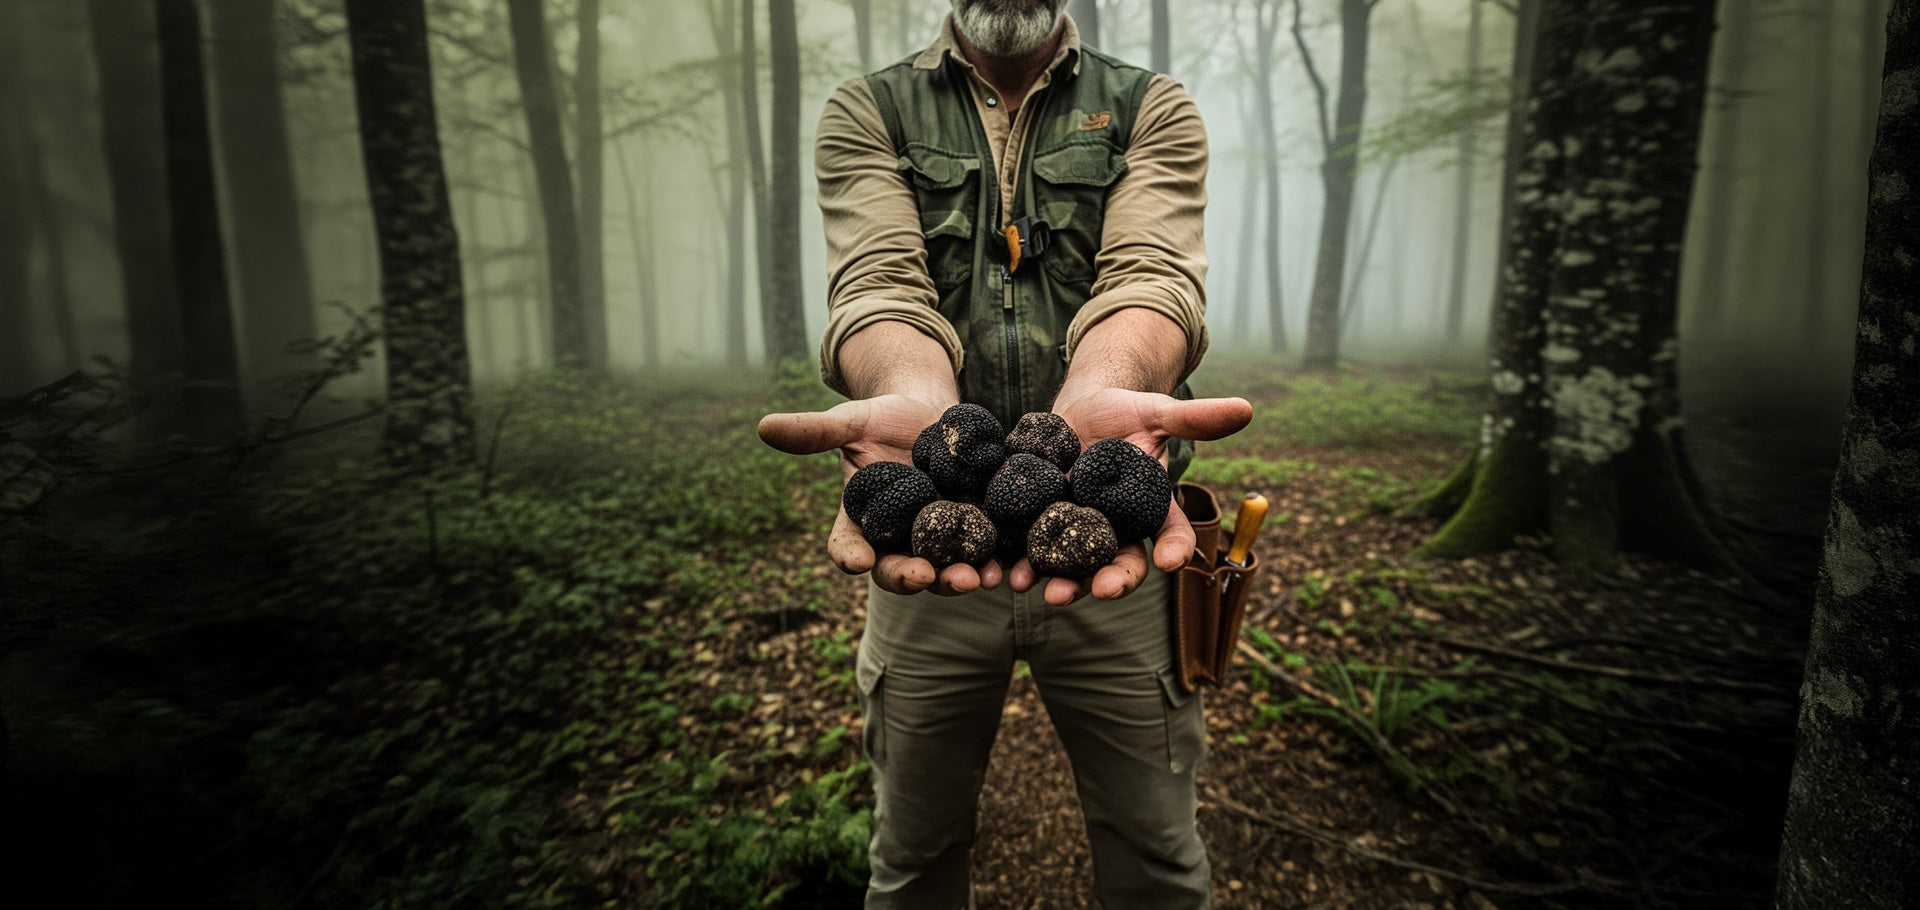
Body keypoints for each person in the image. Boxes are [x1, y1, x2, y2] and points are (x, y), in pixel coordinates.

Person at [757, 2, 1251, 906]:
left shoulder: (1151, 106)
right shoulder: (872, 110)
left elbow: (1152, 270)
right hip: (928, 560)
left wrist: (1105, 382)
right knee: (912, 856)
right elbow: (878, 280)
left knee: (1159, 854)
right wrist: (914, 398)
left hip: (1123, 558)